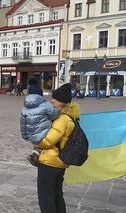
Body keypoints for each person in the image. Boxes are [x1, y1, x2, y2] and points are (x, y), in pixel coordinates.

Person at [36, 83, 80, 213]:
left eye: (54, 98)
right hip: (59, 162)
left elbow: (48, 141)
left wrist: (36, 142)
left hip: (50, 162)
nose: (51, 100)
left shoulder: (62, 119)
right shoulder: (70, 116)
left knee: (46, 198)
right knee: (56, 195)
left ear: (61, 102)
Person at [20, 79, 58, 167]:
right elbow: (55, 114)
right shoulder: (45, 104)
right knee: (49, 134)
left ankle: (35, 153)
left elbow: (22, 124)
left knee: (36, 141)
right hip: (44, 135)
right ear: (40, 95)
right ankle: (42, 157)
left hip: (31, 136)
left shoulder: (24, 108)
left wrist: (24, 136)